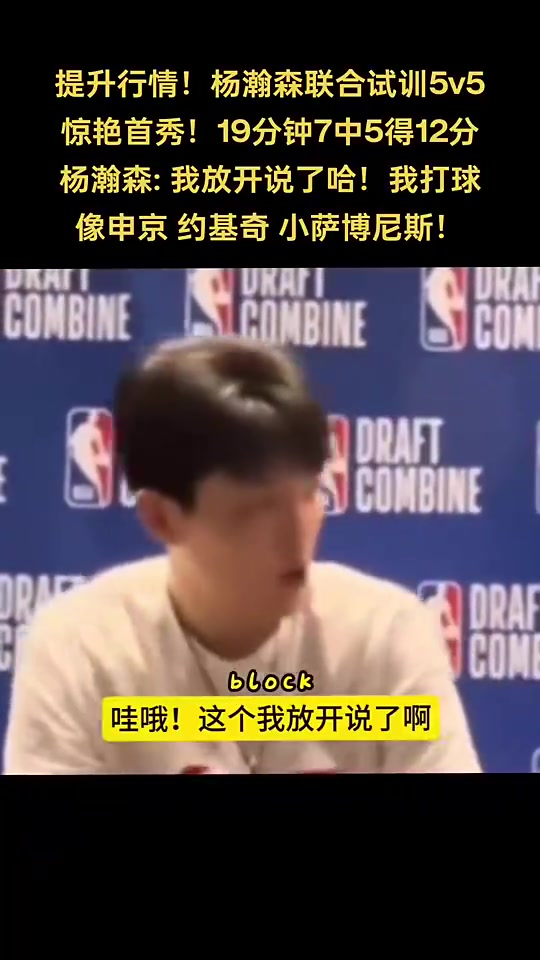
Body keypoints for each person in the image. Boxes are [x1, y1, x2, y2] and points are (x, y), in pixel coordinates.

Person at [3, 336, 481, 774]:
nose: (296, 538)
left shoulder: (384, 636)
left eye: (310, 495)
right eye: (254, 511)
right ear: (162, 518)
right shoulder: (81, 650)